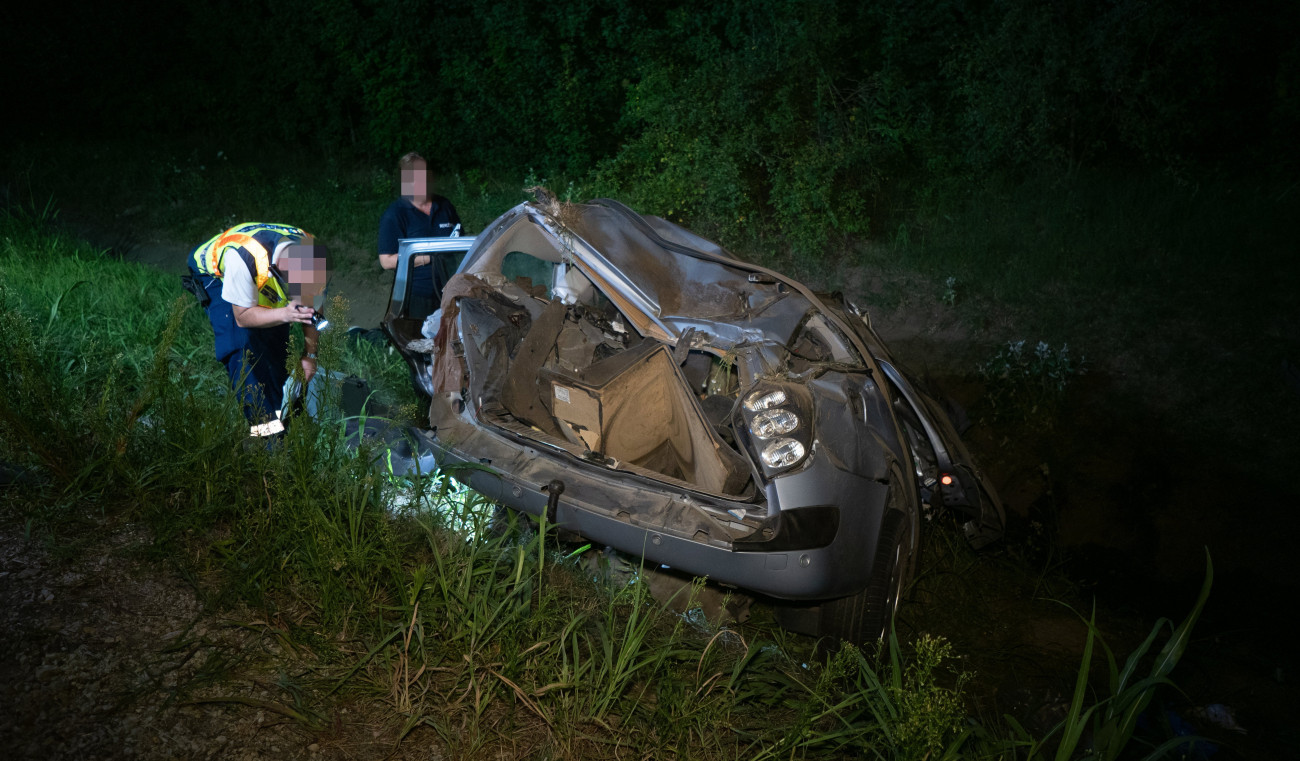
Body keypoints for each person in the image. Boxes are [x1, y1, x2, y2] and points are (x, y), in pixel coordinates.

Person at [187, 222, 329, 434]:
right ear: (280, 273)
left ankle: (288, 417)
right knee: (242, 348)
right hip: (215, 272)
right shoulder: (242, 259)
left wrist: (310, 356)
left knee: (275, 344)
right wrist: (285, 313)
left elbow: (313, 309)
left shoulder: (312, 255)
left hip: (265, 268)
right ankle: (268, 438)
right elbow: (243, 317)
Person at [378, 152, 461, 315]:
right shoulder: (395, 214)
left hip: (451, 290)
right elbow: (386, 261)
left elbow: (459, 241)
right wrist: (429, 257)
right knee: (420, 340)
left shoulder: (445, 206)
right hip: (416, 295)